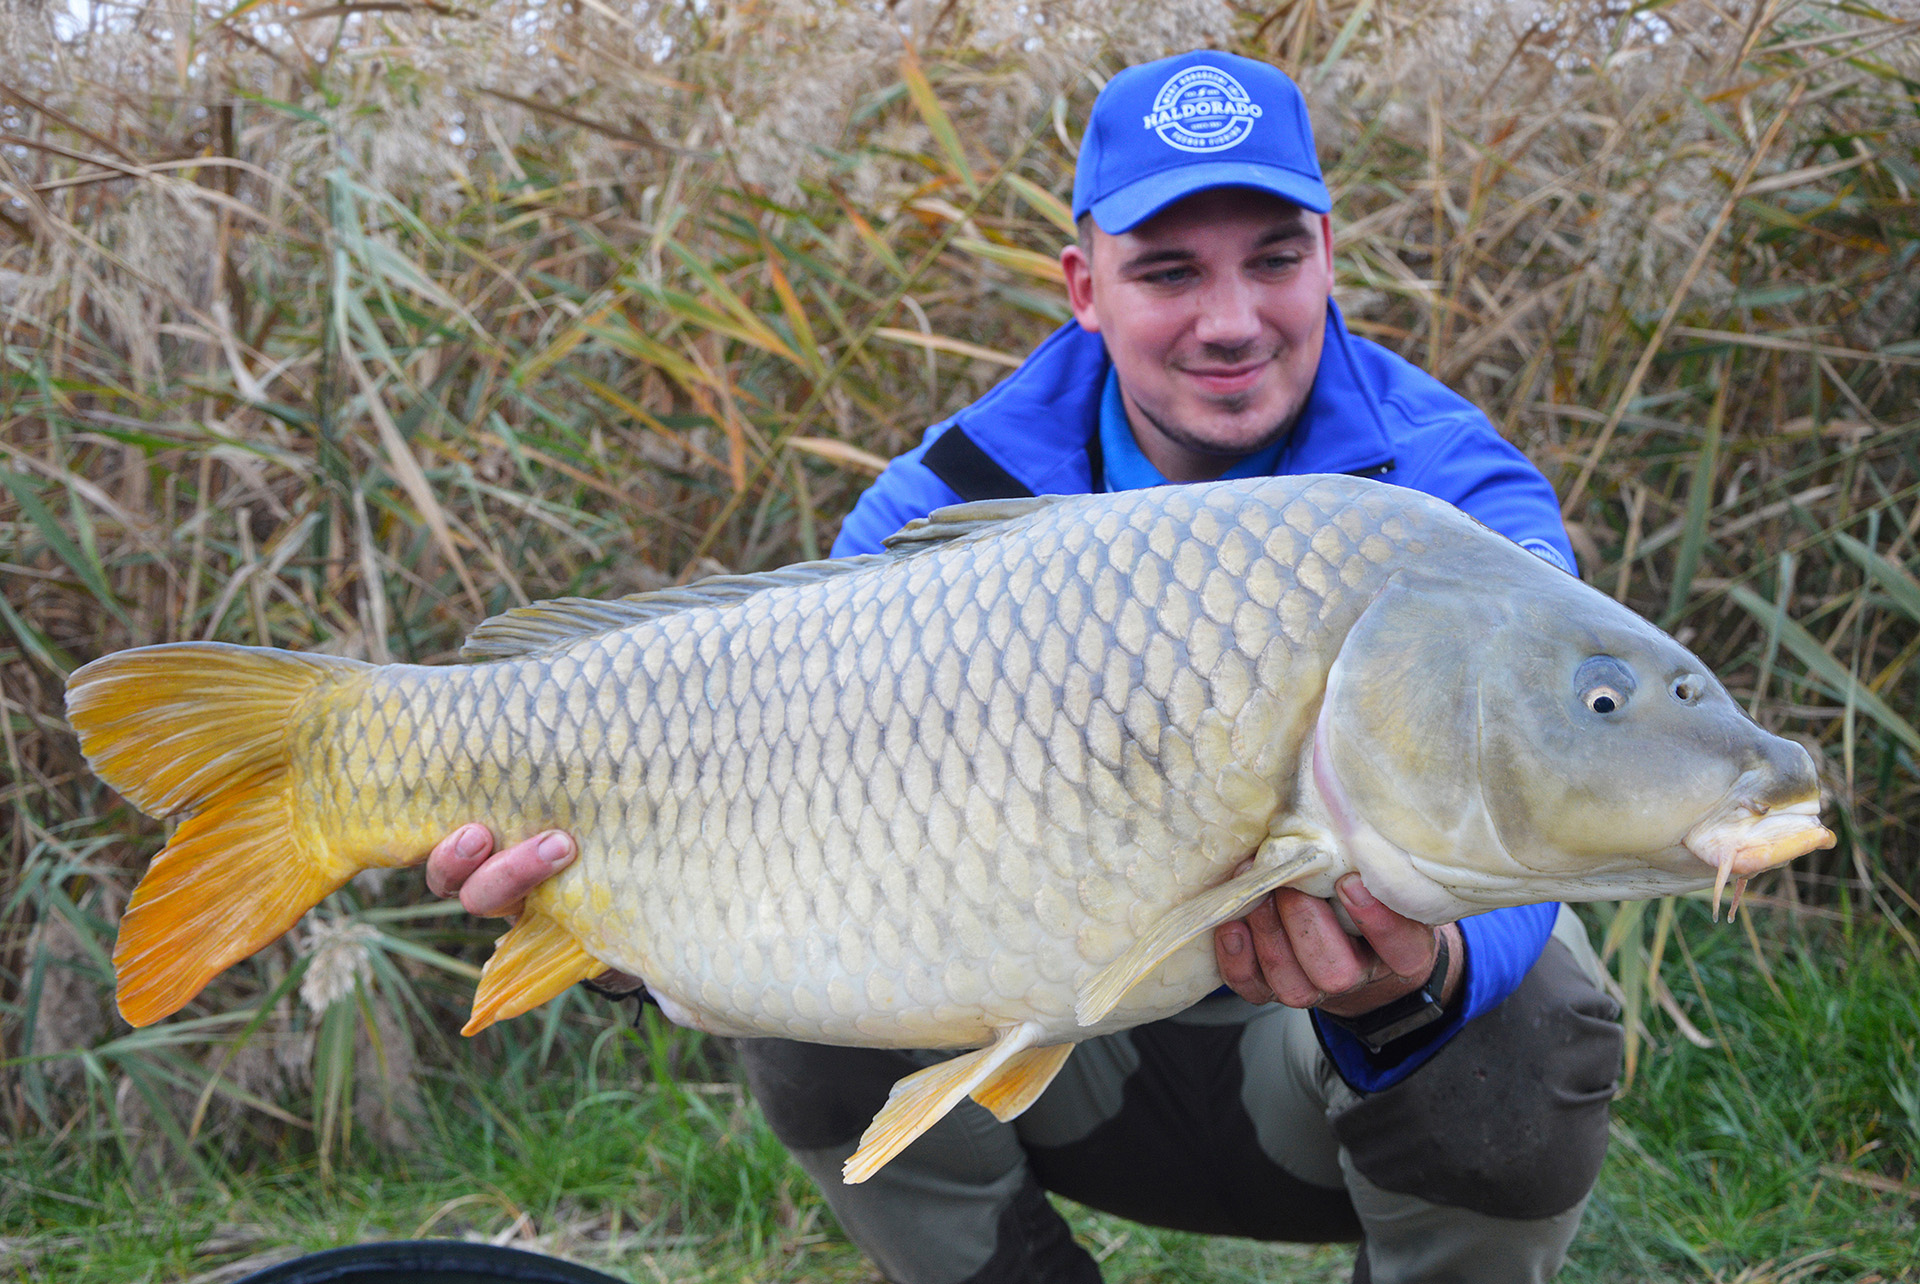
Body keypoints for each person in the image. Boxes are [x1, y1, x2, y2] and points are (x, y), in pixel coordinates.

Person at [425, 50, 1624, 1284]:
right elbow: (789, 824)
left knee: (1530, 1020)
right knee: (804, 1009)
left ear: (1328, 254)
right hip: (1049, 1046)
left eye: (1273, 258)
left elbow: (1537, 791)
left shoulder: (1455, 497)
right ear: (1083, 287)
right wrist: (619, 925)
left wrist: (1425, 976)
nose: (1231, 320)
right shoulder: (946, 502)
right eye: (1168, 271)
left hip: (1330, 1062)